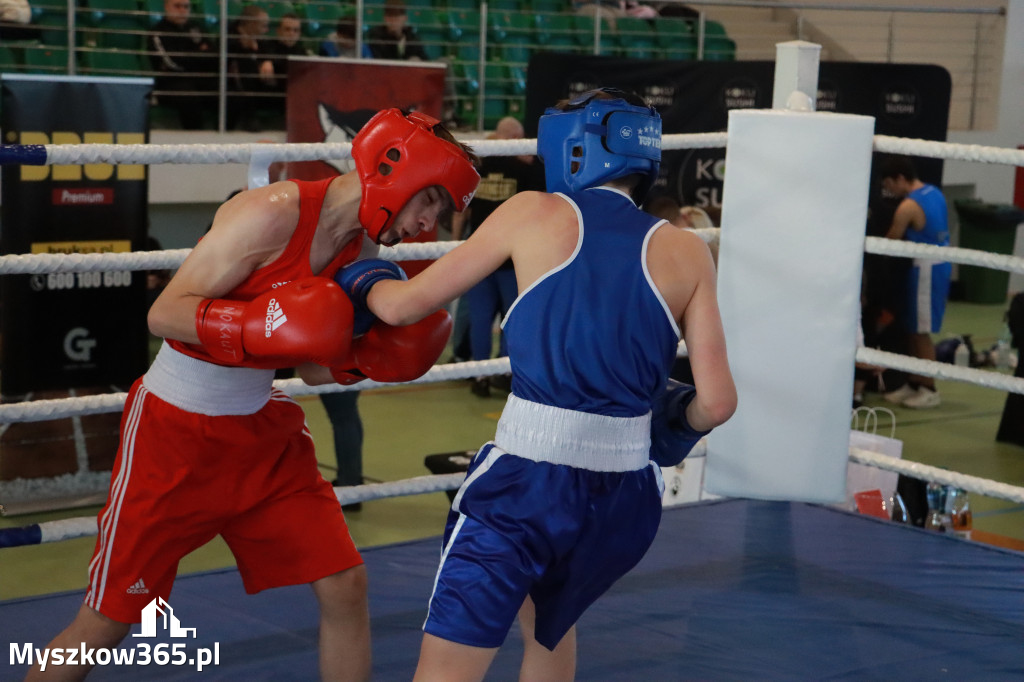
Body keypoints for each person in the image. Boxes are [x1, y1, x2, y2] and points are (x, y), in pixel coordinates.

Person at [25, 108, 480, 681]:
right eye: (429, 202)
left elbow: (313, 367)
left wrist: (364, 360)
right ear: (395, 170)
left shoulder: (364, 250)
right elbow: (163, 313)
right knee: (109, 620)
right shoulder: (270, 214)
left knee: (345, 584)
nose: (426, 225)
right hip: (175, 433)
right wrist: (249, 327)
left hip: (263, 436)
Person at [336, 88, 736, 682]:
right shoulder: (686, 250)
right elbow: (717, 401)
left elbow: (399, 308)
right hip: (626, 498)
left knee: (449, 664)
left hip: (527, 481)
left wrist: (356, 274)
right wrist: (664, 426)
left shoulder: (532, 213)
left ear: (569, 149)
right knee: (550, 628)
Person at [451, 116, 543, 397]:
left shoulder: (479, 167)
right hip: (509, 257)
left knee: (480, 319)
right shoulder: (526, 171)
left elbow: (461, 209)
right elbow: (539, 212)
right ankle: (503, 373)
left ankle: (479, 376)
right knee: (509, 319)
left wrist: (456, 244)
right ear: (516, 138)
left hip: (480, 254)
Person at [878, 155, 951, 409]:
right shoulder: (935, 192)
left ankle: (929, 388)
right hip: (931, 267)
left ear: (900, 178)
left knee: (920, 332)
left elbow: (890, 241)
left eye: (888, 183)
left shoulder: (907, 206)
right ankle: (914, 381)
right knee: (911, 327)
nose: (887, 190)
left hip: (926, 270)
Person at [148, 0, 216, 130]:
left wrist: (188, 57)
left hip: (199, 79)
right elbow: (171, 63)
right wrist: (199, 54)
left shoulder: (197, 28)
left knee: (227, 91)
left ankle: (228, 138)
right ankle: (194, 141)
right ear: (166, 7)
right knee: (188, 96)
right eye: (177, 6)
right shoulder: (158, 32)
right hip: (170, 82)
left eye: (186, 7)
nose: (182, 10)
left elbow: (213, 55)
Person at [227, 4, 274, 131]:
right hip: (230, 86)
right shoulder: (229, 36)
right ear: (251, 24)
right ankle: (249, 118)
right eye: (263, 25)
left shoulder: (260, 39)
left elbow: (267, 52)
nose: (266, 30)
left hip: (257, 84)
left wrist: (267, 61)